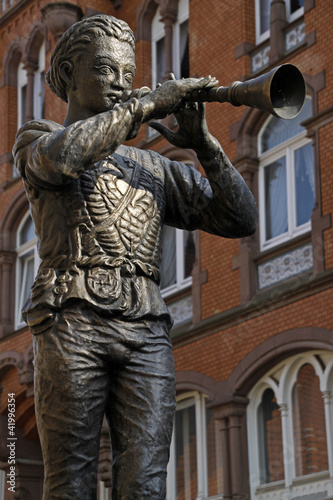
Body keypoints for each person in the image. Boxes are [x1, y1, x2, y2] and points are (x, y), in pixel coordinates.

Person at [13, 14, 257, 500]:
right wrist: (147, 104)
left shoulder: (154, 167)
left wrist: (204, 144)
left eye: (127, 73)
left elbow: (240, 219)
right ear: (68, 74)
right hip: (71, 318)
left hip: (147, 327)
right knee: (71, 480)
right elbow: (65, 158)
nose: (120, 83)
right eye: (104, 70)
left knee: (147, 480)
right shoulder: (37, 137)